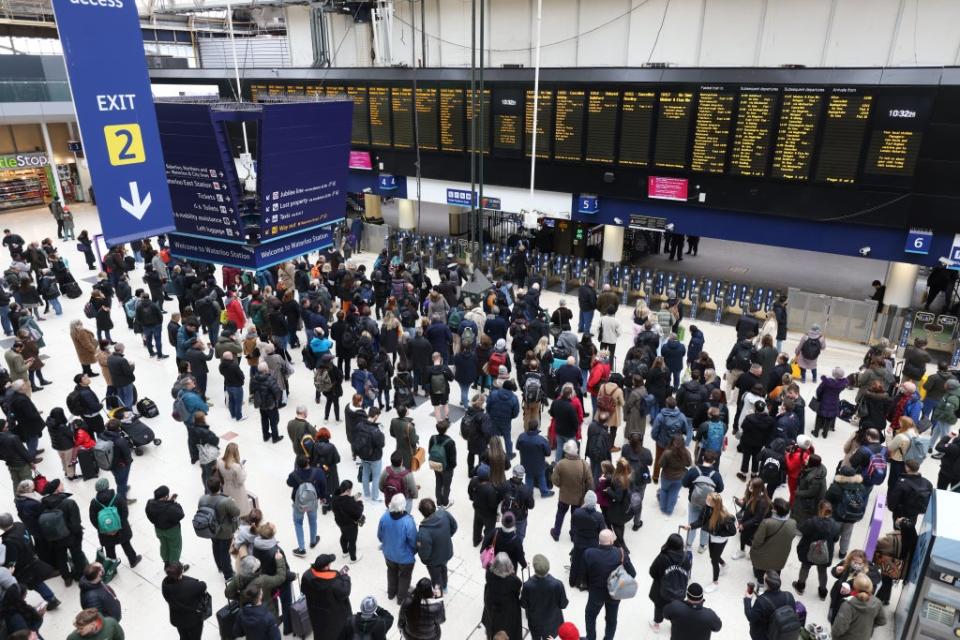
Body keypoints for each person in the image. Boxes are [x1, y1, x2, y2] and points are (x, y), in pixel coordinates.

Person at [39, 478, 88, 587]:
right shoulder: (69, 503)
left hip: (55, 537)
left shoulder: (43, 504)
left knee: (61, 557)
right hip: (71, 537)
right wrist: (78, 533)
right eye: (61, 485)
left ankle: (66, 578)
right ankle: (79, 575)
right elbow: (76, 523)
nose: (63, 485)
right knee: (77, 555)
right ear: (57, 490)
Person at [792, 499, 841, 600]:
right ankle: (822, 593)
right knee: (822, 571)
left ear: (819, 510)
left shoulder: (811, 523)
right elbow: (836, 539)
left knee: (805, 567)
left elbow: (803, 531)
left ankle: (800, 587)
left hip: (808, 551)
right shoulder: (835, 526)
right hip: (825, 553)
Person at [88, 478, 141, 568]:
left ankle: (112, 568)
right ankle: (133, 560)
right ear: (107, 486)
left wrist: (104, 529)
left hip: (105, 533)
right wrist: (118, 526)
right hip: (121, 530)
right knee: (126, 544)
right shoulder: (117, 497)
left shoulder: (94, 503)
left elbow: (93, 519)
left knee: (109, 550)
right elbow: (125, 513)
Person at [301, 553, 352, 640]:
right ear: (326, 567)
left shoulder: (307, 576)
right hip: (335, 616)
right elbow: (345, 591)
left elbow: (303, 589)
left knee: (321, 632)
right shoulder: (334, 583)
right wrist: (345, 577)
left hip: (317, 614)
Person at [378, 493, 417, 605]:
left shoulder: (384, 517)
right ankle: (401, 598)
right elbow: (413, 541)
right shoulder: (408, 521)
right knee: (404, 576)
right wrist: (412, 552)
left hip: (389, 554)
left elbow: (380, 536)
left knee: (391, 572)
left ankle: (391, 593)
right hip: (405, 558)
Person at [648, 533, 691, 634]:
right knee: (675, 609)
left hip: (661, 591)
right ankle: (673, 626)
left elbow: (652, 572)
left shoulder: (662, 557)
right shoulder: (685, 558)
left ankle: (657, 625)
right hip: (679, 591)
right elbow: (687, 570)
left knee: (659, 607)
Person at [198, 475, 240, 580]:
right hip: (225, 532)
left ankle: (220, 567)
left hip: (211, 529)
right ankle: (228, 574)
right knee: (225, 552)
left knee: (215, 547)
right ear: (220, 486)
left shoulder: (202, 498)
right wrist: (233, 502)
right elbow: (236, 512)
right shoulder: (226, 501)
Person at [550, 440, 593, 541]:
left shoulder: (560, 464)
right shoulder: (584, 464)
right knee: (575, 516)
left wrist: (561, 485)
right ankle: (573, 535)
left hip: (564, 496)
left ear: (566, 452)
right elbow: (590, 482)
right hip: (578, 498)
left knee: (560, 514)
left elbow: (554, 479)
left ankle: (556, 533)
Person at [749, 497, 798, 582]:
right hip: (781, 555)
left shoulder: (767, 523)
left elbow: (757, 541)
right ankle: (774, 581)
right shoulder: (793, 523)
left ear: (775, 510)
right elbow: (792, 536)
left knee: (760, 571)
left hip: (764, 555)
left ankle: (760, 584)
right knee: (776, 569)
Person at [521, 554, 568, 640]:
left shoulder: (527, 586)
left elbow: (524, 604)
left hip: (535, 624)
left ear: (535, 569)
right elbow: (563, 605)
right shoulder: (558, 584)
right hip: (553, 623)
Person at [824, 466, 868, 559]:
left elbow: (826, 499)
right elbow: (863, 500)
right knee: (847, 534)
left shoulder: (836, 487)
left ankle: (829, 550)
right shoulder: (861, 487)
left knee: (833, 533)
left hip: (837, 516)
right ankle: (842, 553)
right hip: (852, 516)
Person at [286, 454, 325, 556]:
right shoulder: (318, 472)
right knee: (313, 521)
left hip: (298, 504)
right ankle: (313, 541)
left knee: (298, 523)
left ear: (297, 465)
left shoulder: (293, 475)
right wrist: (322, 497)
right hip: (312, 502)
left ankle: (302, 549)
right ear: (308, 461)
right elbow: (323, 484)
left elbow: (289, 483)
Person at [417, 498, 457, 595]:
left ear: (422, 512)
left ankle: (439, 594)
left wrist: (425, 560)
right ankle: (445, 587)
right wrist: (447, 536)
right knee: (444, 569)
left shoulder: (424, 531)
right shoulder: (444, 514)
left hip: (433, 561)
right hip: (446, 552)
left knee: (436, 577)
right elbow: (454, 526)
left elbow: (424, 552)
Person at [831, 573, 888, 640]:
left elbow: (839, 628)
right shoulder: (877, 602)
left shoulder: (848, 604)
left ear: (855, 587)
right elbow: (882, 621)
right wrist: (869, 626)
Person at [743, 570, 797, 640]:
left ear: (766, 584)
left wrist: (747, 599)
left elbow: (750, 617)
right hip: (784, 633)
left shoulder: (761, 602)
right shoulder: (789, 596)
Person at [161, 562, 207, 640]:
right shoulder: (191, 585)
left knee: (183, 636)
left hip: (177, 619)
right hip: (193, 620)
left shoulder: (165, 584)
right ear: (181, 571)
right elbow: (203, 585)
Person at [483, 552, 523, 640]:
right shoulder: (513, 580)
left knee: (492, 625)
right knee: (510, 629)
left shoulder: (489, 573)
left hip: (491, 602)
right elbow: (518, 588)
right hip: (507, 607)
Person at [145, 485, 186, 569]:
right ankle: (175, 567)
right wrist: (173, 502)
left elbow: (150, 517)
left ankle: (166, 563)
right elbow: (181, 514)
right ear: (165, 497)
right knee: (175, 547)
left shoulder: (150, 503)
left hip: (158, 530)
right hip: (172, 530)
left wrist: (168, 502)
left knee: (164, 545)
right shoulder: (170, 507)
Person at [887, 458, 933, 525]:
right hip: (914, 514)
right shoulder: (927, 483)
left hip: (900, 515)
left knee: (898, 531)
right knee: (909, 529)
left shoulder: (902, 483)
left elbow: (892, 504)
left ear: (907, 468)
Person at [516, 419, 553, 498]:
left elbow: (517, 447)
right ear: (537, 427)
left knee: (529, 477)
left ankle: (529, 493)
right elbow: (548, 453)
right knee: (541, 476)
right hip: (539, 464)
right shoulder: (541, 440)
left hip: (525, 464)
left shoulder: (521, 437)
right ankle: (544, 492)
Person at [657, 435, 692, 515]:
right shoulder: (686, 453)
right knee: (674, 492)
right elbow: (689, 464)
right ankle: (669, 510)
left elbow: (660, 464)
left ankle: (663, 508)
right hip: (680, 477)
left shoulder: (667, 453)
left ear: (672, 442)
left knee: (664, 490)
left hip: (666, 476)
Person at [331, 480, 364, 563]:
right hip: (350, 523)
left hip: (340, 521)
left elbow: (344, 501)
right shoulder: (347, 502)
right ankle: (353, 558)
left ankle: (345, 552)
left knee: (344, 535)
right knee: (352, 540)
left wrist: (352, 498)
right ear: (348, 490)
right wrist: (360, 503)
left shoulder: (335, 497)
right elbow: (357, 513)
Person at [251, 362, 284, 443]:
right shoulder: (270, 379)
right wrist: (276, 400)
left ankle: (266, 436)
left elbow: (252, 391)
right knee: (274, 421)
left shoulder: (254, 378)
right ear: (266, 369)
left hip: (261, 404)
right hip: (271, 405)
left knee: (264, 420)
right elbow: (277, 392)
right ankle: (275, 438)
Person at [217, 442, 252, 516]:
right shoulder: (236, 467)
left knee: (230, 504)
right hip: (236, 489)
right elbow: (241, 480)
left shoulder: (219, 461)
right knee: (239, 505)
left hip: (226, 486)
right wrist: (242, 469)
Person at [813, 368, 848, 438]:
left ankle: (816, 432)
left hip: (824, 401)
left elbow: (819, 390)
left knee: (819, 416)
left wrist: (819, 397)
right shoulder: (842, 384)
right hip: (834, 402)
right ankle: (825, 434)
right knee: (829, 418)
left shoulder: (826, 382)